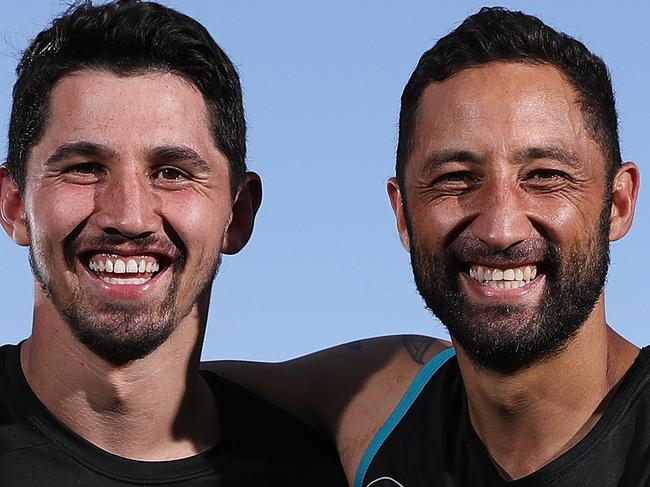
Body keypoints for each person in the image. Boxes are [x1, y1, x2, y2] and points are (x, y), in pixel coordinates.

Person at [209, 7, 645, 486]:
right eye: (456, 179)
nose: (501, 228)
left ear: (618, 204)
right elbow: (164, 396)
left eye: (545, 176)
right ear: (403, 215)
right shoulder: (382, 406)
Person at [0, 1, 347, 485]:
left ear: (238, 214)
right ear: (14, 204)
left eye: (172, 173)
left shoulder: (323, 473)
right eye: (83, 167)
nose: (129, 216)